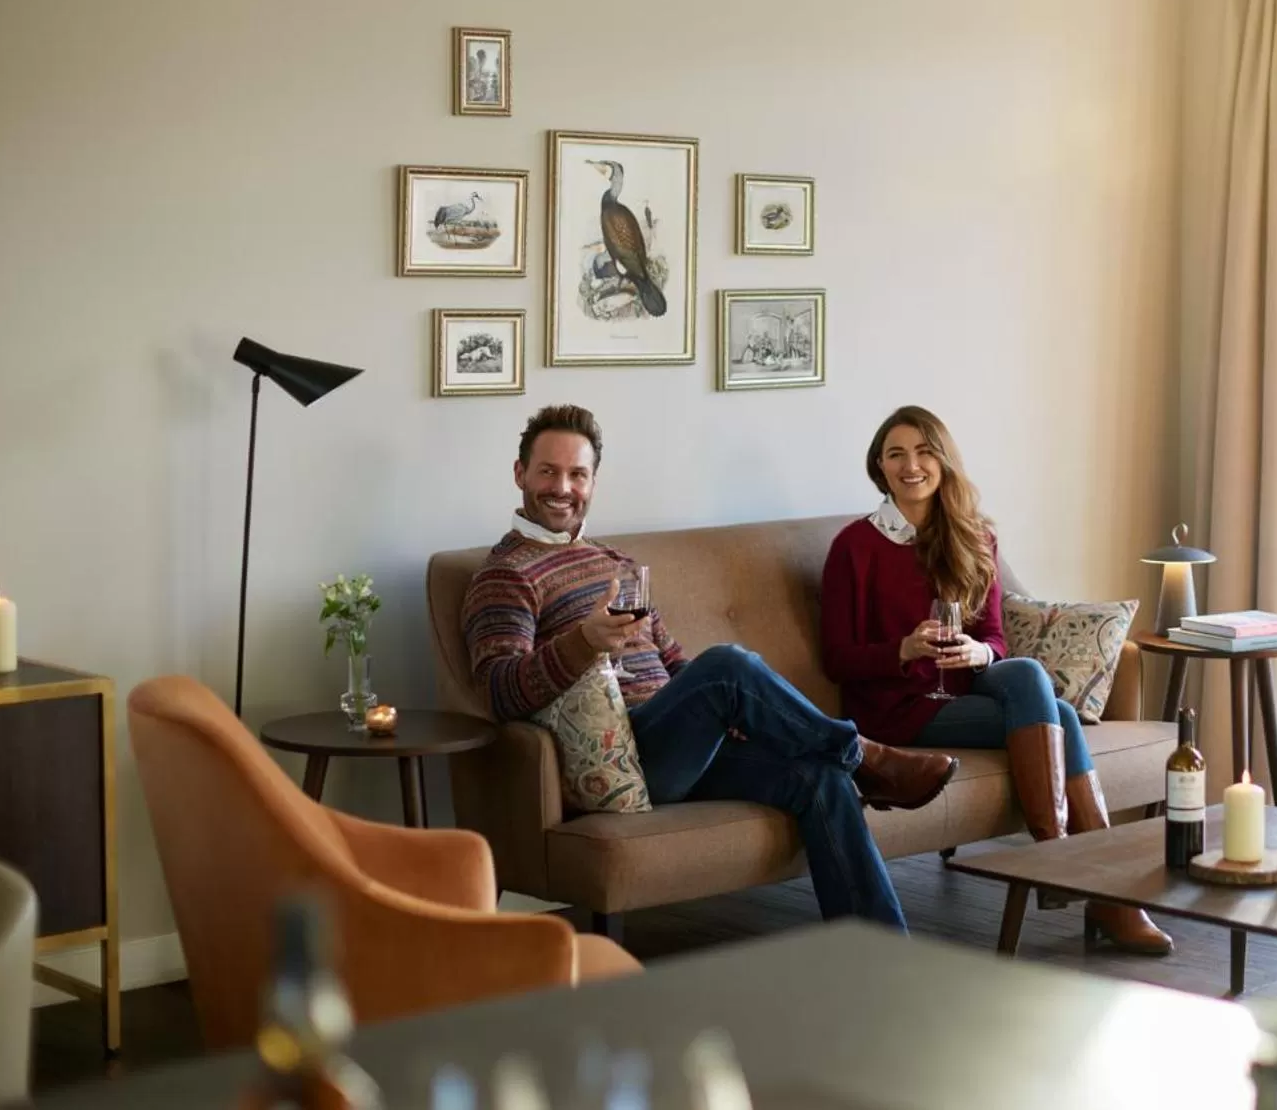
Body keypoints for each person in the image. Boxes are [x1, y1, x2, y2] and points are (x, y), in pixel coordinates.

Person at [462, 405, 959, 933]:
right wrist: (584, 642)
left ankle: (879, 949)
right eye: (548, 472)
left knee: (819, 775)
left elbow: (674, 661)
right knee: (727, 665)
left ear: (593, 482)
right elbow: (500, 692)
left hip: (684, 745)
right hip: (631, 759)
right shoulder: (506, 576)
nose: (563, 488)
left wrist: (736, 714)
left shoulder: (615, 562)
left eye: (577, 474)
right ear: (520, 474)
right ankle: (864, 755)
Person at [819, 405, 1172, 955]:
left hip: (964, 692)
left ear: (943, 461)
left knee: (1027, 675)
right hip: (897, 709)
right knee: (1059, 714)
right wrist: (902, 650)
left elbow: (996, 639)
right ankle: (1108, 896)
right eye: (896, 455)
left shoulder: (974, 537)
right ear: (879, 467)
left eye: (924, 452)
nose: (911, 466)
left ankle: (1061, 864)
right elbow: (838, 659)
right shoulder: (854, 547)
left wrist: (979, 652)